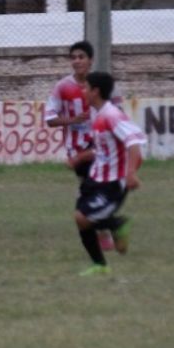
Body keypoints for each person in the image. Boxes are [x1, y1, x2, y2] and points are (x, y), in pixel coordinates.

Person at [45, 41, 116, 250]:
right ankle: (105, 229)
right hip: (76, 149)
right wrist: (73, 120)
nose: (77, 61)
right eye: (73, 57)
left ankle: (103, 230)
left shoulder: (102, 85)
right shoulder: (63, 87)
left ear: (90, 60)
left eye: (81, 57)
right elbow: (49, 119)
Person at [74, 71, 147, 276]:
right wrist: (82, 157)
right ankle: (100, 264)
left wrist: (130, 173)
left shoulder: (112, 115)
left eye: (86, 88)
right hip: (95, 178)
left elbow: (133, 142)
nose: (83, 91)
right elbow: (106, 148)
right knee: (80, 218)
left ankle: (118, 225)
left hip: (112, 183)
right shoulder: (98, 115)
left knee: (83, 217)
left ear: (95, 91)